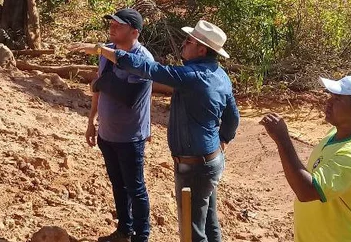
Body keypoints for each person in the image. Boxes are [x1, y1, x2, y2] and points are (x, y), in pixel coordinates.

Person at [73, 20, 240, 242]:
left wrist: (102, 50)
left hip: (194, 166)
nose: (184, 44)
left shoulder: (191, 77)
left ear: (201, 49)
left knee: (192, 231)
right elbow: (233, 118)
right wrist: (222, 142)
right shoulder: (220, 75)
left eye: (188, 41)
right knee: (209, 223)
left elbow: (148, 69)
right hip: (211, 160)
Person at [260, 75, 351, 242]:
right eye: (331, 96)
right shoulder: (335, 134)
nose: (329, 102)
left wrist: (283, 140)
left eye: (338, 99)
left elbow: (307, 191)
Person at [86, 8, 154, 242]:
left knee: (136, 188)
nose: (112, 28)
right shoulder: (107, 52)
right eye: (111, 23)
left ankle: (141, 236)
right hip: (107, 134)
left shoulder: (144, 59)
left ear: (134, 31)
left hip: (131, 137)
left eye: (119, 25)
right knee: (118, 184)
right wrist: (91, 120)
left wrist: (101, 83)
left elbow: (129, 96)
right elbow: (98, 88)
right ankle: (124, 231)